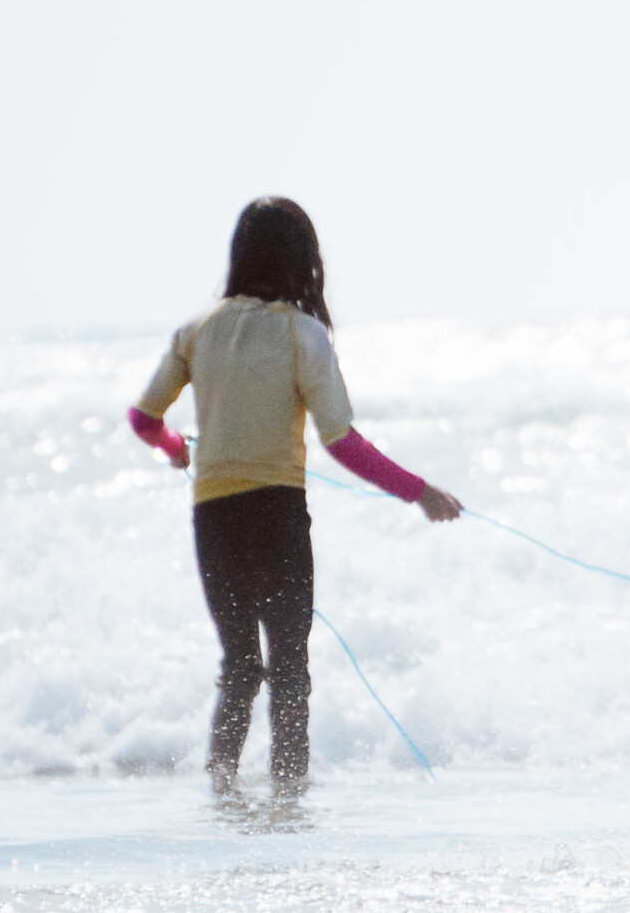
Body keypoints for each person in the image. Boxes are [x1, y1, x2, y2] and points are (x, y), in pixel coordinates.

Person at [128, 197, 463, 795]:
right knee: (288, 666)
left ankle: (221, 787)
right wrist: (419, 491)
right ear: (304, 260)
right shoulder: (302, 333)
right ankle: (289, 792)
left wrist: (178, 447)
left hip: (215, 516)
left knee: (239, 664)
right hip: (277, 517)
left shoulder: (196, 330)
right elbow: (341, 442)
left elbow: (143, 417)